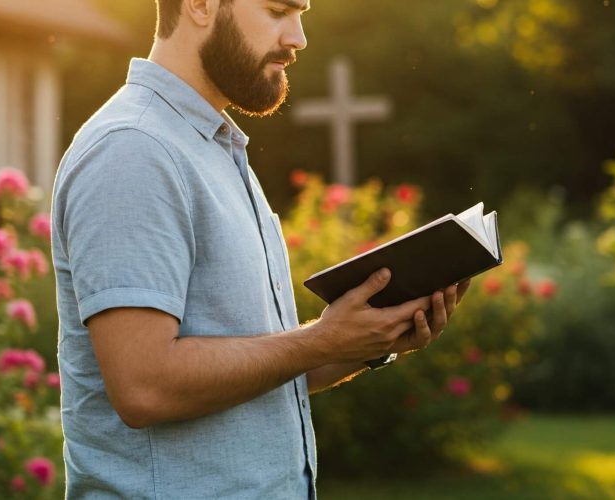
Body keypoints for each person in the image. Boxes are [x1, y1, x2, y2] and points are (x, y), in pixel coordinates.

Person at [51, 0, 470, 497]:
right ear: (201, 6)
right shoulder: (134, 149)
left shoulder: (210, 146)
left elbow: (258, 369)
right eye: (277, 11)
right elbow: (145, 386)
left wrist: (367, 340)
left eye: (301, 13)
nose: (298, 39)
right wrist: (320, 340)